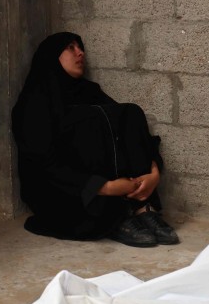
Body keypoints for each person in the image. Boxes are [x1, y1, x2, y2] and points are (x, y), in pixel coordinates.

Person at [11, 32, 178, 247]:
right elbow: (43, 162)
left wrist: (153, 174)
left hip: (116, 187)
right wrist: (104, 187)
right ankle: (115, 216)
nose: (80, 52)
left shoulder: (89, 92)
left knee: (129, 112)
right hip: (65, 194)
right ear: (51, 55)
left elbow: (128, 129)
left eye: (80, 47)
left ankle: (142, 207)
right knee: (87, 120)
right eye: (70, 47)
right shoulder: (34, 102)